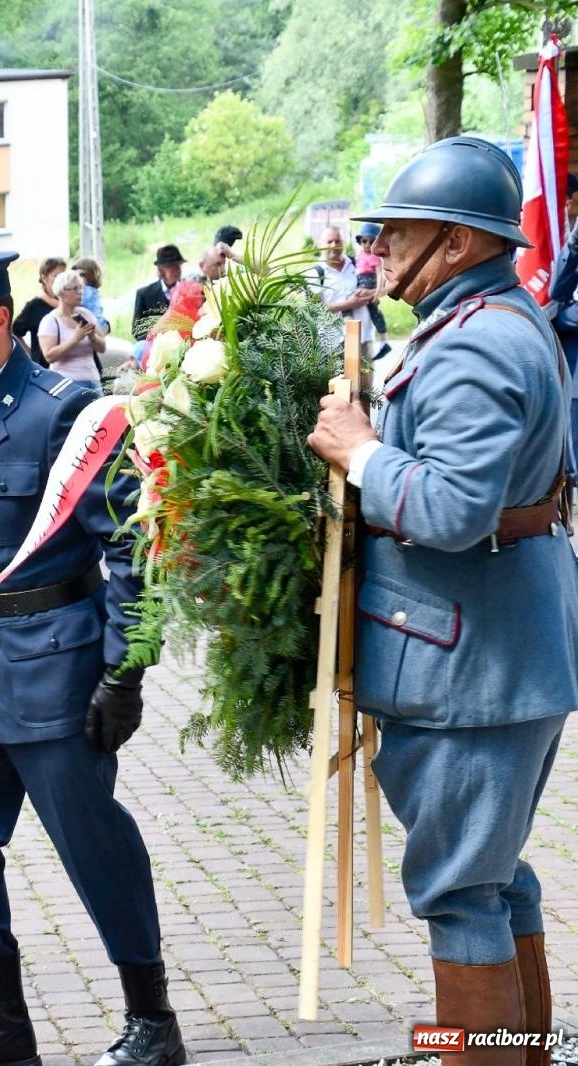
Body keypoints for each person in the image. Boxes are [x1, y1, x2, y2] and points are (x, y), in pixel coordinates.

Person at [309, 136, 578, 1066]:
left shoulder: (479, 343)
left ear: (458, 245)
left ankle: (480, 1055)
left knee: (461, 890)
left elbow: (455, 511)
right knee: (491, 879)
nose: (378, 254)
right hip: (492, 651)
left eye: (396, 237)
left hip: (471, 661)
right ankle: (517, 1053)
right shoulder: (488, 318)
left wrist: (360, 451)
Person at [0, 250, 184, 1066]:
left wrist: (124, 671)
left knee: (93, 846)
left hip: (53, 670)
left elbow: (131, 549)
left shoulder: (69, 411)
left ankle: (152, 1022)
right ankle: (1, 1025)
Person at [34, 268, 107, 386]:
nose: (80, 292)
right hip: (65, 383)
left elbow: (102, 348)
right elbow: (49, 356)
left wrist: (93, 336)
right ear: (61, 293)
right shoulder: (50, 321)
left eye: (80, 287)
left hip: (92, 380)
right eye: (74, 289)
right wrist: (75, 338)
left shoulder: (87, 314)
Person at [312, 226, 378, 354]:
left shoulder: (358, 263)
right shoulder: (315, 273)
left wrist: (371, 293)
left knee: (365, 374)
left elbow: (383, 287)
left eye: (338, 241)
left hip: (363, 337)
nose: (334, 245)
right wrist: (348, 304)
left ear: (344, 243)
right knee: (339, 375)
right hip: (331, 343)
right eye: (329, 241)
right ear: (321, 245)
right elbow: (315, 309)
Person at [13, 257, 67, 357]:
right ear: (44, 278)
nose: (61, 280)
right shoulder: (34, 306)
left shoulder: (72, 302)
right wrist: (30, 354)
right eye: (56, 275)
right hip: (46, 367)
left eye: (63, 275)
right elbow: (15, 332)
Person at [132, 245, 185, 340]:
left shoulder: (188, 291)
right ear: (161, 269)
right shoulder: (144, 294)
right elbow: (137, 332)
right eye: (172, 266)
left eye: (178, 265)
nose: (177, 270)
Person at [353, 222, 391, 354]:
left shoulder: (375, 257)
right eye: (364, 241)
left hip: (370, 280)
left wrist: (376, 292)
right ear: (360, 241)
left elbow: (380, 274)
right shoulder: (359, 255)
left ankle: (384, 341)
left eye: (371, 241)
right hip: (360, 280)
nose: (367, 244)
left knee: (374, 312)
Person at [72, 256, 110, 330]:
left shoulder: (85, 291)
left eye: (79, 275)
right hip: (101, 323)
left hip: (94, 325)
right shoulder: (93, 291)